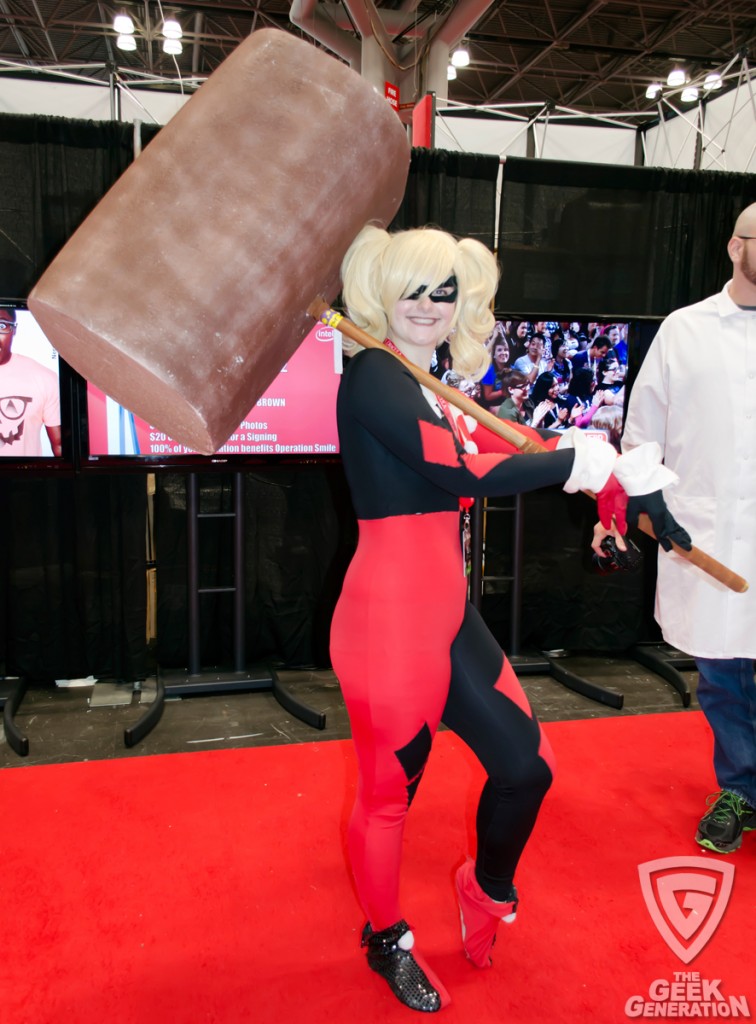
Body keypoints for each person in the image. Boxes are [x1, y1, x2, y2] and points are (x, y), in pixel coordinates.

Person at [330, 223, 688, 1012]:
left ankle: (485, 891)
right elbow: (457, 470)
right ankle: (385, 939)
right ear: (381, 292)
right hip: (388, 625)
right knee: (390, 799)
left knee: (526, 769)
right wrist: (581, 463)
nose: (429, 305)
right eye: (414, 288)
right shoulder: (373, 380)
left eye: (445, 291)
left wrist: (611, 484)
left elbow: (512, 438)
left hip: (448, 618)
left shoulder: (426, 383)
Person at [623, 203, 756, 856]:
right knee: (725, 679)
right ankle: (739, 790)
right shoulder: (686, 331)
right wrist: (647, 496)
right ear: (737, 246)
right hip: (709, 541)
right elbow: (643, 429)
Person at [0, 306, 62, 457]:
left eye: (2, 325)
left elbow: (59, 446)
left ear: (14, 330)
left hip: (23, 479)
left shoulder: (44, 378)